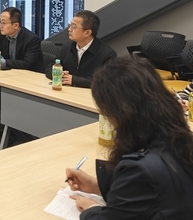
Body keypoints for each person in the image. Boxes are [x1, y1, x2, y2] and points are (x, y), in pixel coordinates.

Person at [66, 56, 193, 218]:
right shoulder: (179, 141)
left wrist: (91, 208)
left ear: (119, 112)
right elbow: (154, 195)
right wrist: (97, 186)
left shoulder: (140, 169)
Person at [45, 10, 116, 88]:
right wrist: (58, 74)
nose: (69, 29)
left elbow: (107, 82)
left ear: (87, 33)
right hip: (66, 90)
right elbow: (50, 67)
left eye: (74, 27)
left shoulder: (107, 54)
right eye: (70, 25)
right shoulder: (67, 47)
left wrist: (75, 80)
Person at [0, 7, 44, 73]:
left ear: (16, 25)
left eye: (3, 23)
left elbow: (27, 63)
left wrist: (2, 62)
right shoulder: (1, 35)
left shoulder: (32, 39)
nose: (0, 26)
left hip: (30, 74)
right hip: (9, 72)